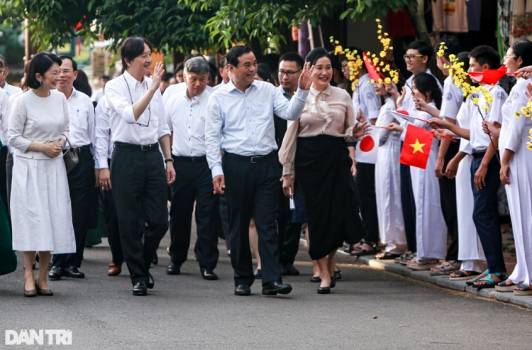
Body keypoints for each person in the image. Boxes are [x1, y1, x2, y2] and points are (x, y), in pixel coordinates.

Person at [205, 45, 313, 296]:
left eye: (254, 64)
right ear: (230, 68)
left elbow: (290, 113)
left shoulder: (267, 91)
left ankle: (271, 279)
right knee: (238, 224)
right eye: (246, 65)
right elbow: (211, 138)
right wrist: (216, 170)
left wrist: (303, 91)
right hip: (235, 165)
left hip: (266, 164)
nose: (253, 69)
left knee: (267, 223)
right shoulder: (218, 98)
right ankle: (242, 278)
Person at [279, 48, 367, 294]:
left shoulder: (342, 95)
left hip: (336, 159)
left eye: (328, 67)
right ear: (308, 70)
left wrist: (355, 135)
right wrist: (287, 171)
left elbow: (349, 130)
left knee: (336, 215)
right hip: (308, 161)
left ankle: (330, 264)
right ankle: (324, 273)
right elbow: (290, 137)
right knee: (315, 218)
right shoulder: (299, 97)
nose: (324, 72)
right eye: (319, 67)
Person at [429, 45, 508, 289]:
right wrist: (445, 126)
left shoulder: (495, 93)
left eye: (473, 66)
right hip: (477, 155)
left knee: (483, 212)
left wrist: (484, 164)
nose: (470, 70)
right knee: (480, 213)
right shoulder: (476, 95)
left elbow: (495, 134)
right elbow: (472, 133)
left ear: (485, 67)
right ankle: (493, 268)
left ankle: (496, 270)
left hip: (488, 157)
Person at [105, 36, 175, 296]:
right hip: (125, 156)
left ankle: (142, 266)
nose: (149, 59)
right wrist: (154, 87)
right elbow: (130, 114)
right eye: (144, 55)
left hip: (152, 156)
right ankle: (137, 276)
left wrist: (168, 159)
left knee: (159, 221)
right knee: (129, 220)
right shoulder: (114, 87)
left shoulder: (153, 86)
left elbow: (162, 126)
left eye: (150, 54)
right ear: (128, 60)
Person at [7, 52, 76, 297]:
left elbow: (67, 128)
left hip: (53, 166)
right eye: (54, 72)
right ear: (39, 76)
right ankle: (28, 274)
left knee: (52, 218)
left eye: (60, 71)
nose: (59, 76)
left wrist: (59, 143)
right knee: (31, 220)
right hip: (28, 168)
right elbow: (12, 137)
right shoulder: (22, 101)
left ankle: (44, 276)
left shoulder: (59, 99)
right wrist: (41, 147)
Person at [162, 56, 219, 279]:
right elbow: (164, 128)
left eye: (202, 80)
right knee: (179, 213)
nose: (197, 84)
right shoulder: (171, 95)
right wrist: (167, 161)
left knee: (207, 215)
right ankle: (176, 258)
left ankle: (207, 263)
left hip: (207, 162)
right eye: (193, 79)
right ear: (184, 76)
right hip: (180, 161)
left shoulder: (214, 97)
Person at [484, 40, 532, 293]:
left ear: (520, 61)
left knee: (526, 214)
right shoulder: (520, 85)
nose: (504, 60)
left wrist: (504, 161)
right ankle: (523, 269)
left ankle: (529, 273)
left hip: (520, 156)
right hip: (517, 153)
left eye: (509, 55)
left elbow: (516, 127)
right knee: (519, 215)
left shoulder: (523, 86)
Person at [386, 73, 448, 270]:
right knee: (420, 205)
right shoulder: (421, 111)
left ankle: (432, 252)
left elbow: (411, 126)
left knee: (428, 205)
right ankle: (423, 251)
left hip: (427, 160)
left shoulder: (432, 112)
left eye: (415, 91)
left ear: (427, 92)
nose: (413, 95)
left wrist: (400, 107)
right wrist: (400, 104)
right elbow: (407, 125)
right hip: (417, 159)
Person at [393, 40, 442, 265]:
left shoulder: (431, 82)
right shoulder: (410, 82)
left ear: (425, 58)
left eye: (413, 56)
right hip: (412, 144)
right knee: (415, 200)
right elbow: (411, 119)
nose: (408, 60)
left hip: (425, 146)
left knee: (426, 199)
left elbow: (422, 119)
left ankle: (429, 252)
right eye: (406, 56)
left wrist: (400, 112)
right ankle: (419, 249)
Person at [48, 56, 98, 281]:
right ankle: (57, 262)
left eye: (67, 70)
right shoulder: (48, 99)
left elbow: (94, 134)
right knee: (59, 210)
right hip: (55, 157)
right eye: (58, 71)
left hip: (82, 157)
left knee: (79, 212)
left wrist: (99, 166)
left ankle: (73, 262)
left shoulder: (86, 100)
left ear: (75, 75)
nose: (62, 75)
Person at [276, 52, 305, 276]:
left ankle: (288, 257)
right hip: (277, 163)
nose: (284, 77)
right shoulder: (272, 97)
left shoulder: (309, 98)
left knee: (297, 216)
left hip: (304, 163)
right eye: (281, 72)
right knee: (278, 213)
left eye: (289, 72)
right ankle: (275, 259)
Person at [373, 82, 407, 259]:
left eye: (378, 81)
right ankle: (393, 240)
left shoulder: (389, 108)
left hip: (389, 152)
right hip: (386, 152)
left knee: (389, 194)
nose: (375, 85)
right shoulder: (389, 106)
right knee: (387, 194)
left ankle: (396, 241)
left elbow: (380, 135)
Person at [94, 82, 123, 277]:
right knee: (113, 213)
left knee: (141, 212)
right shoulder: (105, 102)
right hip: (113, 161)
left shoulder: (148, 95)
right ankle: (117, 257)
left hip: (140, 159)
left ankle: (141, 253)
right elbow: (101, 136)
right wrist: (102, 166)